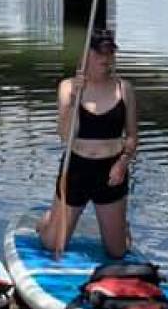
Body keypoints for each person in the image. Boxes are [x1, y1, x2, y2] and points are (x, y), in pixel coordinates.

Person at [38, 28, 138, 259]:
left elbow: (132, 136)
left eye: (110, 54)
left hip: (111, 170)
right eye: (100, 54)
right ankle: (48, 221)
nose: (106, 59)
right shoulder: (68, 87)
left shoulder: (125, 89)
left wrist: (123, 162)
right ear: (86, 56)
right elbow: (65, 135)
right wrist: (74, 100)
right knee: (53, 244)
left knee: (117, 251)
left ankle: (122, 228)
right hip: (77, 168)